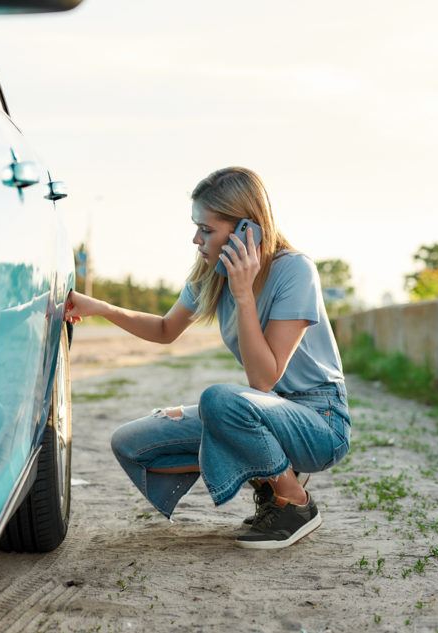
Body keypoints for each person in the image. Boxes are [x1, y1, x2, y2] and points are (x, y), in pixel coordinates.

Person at [64, 167, 350, 549]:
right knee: (131, 442)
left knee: (219, 400)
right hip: (261, 412)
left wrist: (244, 293)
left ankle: (294, 502)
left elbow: (263, 379)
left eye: (207, 229)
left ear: (248, 229)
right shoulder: (211, 274)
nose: (196, 239)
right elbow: (166, 330)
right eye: (197, 227)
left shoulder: (295, 271)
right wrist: (102, 308)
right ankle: (269, 471)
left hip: (318, 421)